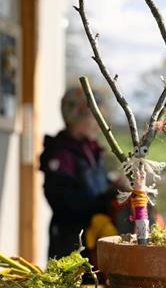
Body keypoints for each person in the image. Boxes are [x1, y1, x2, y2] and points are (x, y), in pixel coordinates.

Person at [40, 87, 116, 259]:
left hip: (95, 239)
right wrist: (105, 199)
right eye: (95, 118)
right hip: (71, 243)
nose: (100, 125)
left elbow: (99, 185)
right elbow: (63, 201)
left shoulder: (92, 150)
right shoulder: (61, 153)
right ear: (76, 118)